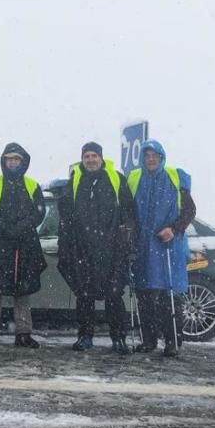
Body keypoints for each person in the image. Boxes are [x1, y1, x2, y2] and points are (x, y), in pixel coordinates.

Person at [57, 142, 136, 353]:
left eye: (94, 156)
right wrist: (66, 241)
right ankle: (84, 336)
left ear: (101, 158)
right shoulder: (75, 179)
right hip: (83, 248)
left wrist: (127, 232)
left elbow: (128, 208)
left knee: (114, 294)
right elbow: (65, 212)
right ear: (82, 159)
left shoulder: (115, 178)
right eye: (87, 156)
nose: (90, 160)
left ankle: (118, 338)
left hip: (112, 248)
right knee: (84, 295)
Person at [0, 143, 47, 348]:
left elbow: (39, 212)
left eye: (16, 159)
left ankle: (23, 332)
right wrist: (4, 228)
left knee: (23, 290)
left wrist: (21, 227)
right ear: (4, 161)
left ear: (23, 161)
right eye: (9, 159)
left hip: (25, 244)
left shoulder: (32, 185)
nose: (12, 162)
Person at [127, 140, 196, 357]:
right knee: (144, 294)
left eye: (154, 155)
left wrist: (174, 229)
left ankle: (172, 340)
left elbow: (189, 210)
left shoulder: (175, 177)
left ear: (161, 157)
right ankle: (148, 340)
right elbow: (128, 210)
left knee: (169, 295)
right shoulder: (135, 178)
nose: (151, 159)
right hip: (143, 246)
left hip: (168, 246)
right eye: (147, 156)